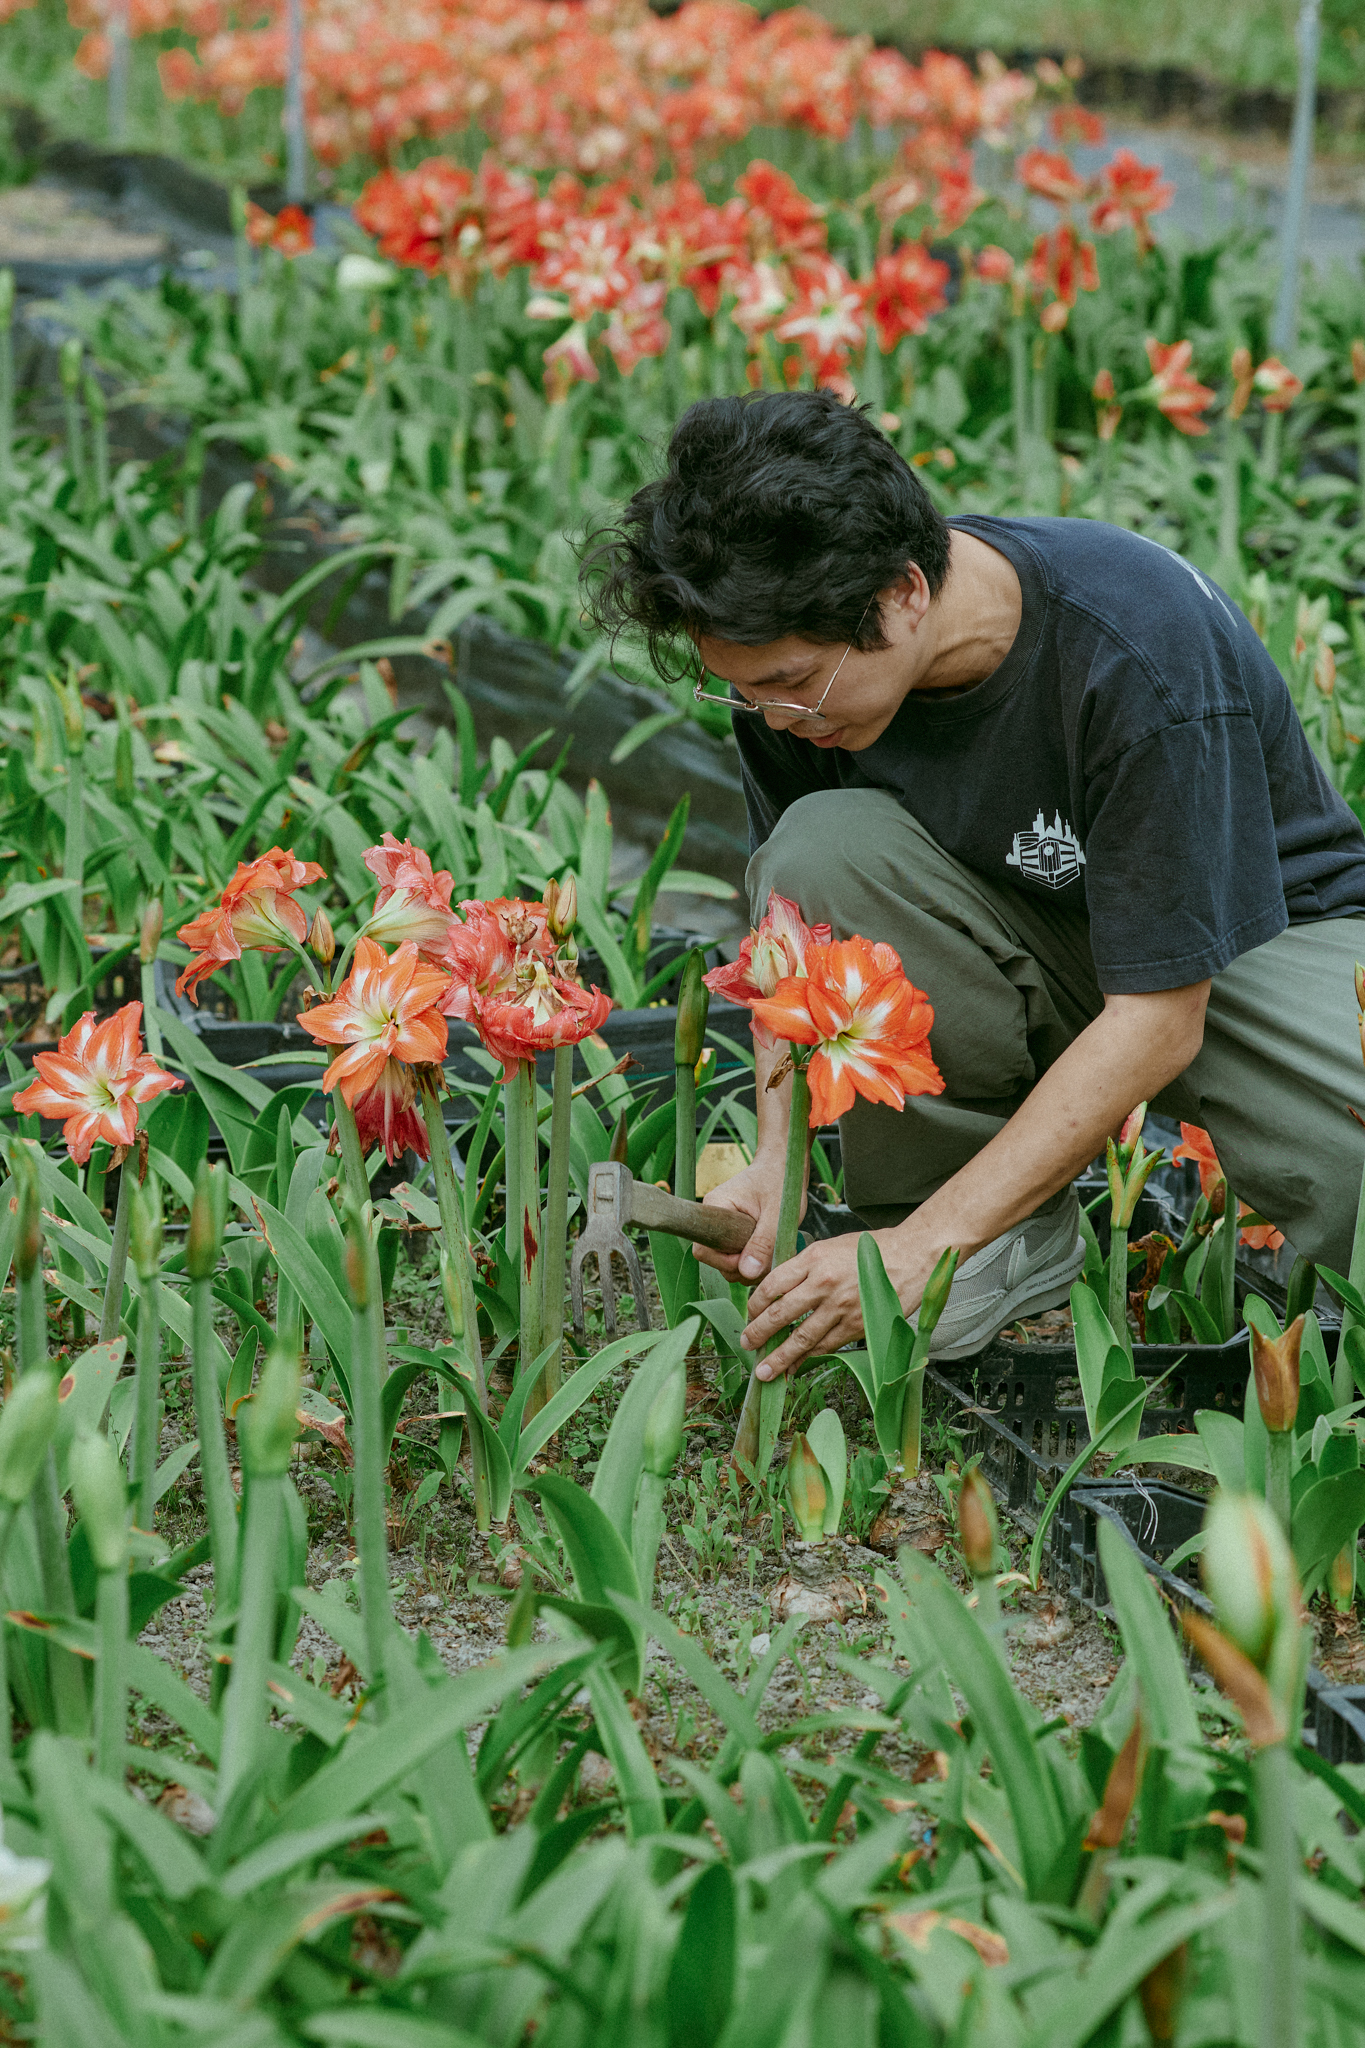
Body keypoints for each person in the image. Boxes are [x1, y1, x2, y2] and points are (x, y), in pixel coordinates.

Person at [580, 389, 1365, 1382]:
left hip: (1257, 950)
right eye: (740, 687)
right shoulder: (791, 687)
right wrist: (776, 1163)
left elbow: (1162, 1019)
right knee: (822, 850)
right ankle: (997, 1234)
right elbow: (790, 944)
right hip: (1048, 938)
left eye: (793, 681)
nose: (772, 714)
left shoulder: (1132, 648)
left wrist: (921, 1252)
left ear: (905, 593)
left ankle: (941, 1238)